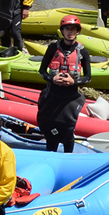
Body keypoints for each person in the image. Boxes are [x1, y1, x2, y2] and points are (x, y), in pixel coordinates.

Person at [37, 15, 92, 152]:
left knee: (68, 130)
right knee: (50, 130)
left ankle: (68, 155)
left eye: (73, 29)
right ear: (62, 31)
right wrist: (52, 79)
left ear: (78, 31)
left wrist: (74, 82)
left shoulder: (83, 51)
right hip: (53, 95)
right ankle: (50, 154)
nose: (70, 32)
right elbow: (42, 71)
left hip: (70, 98)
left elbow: (88, 77)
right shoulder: (52, 48)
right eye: (67, 29)